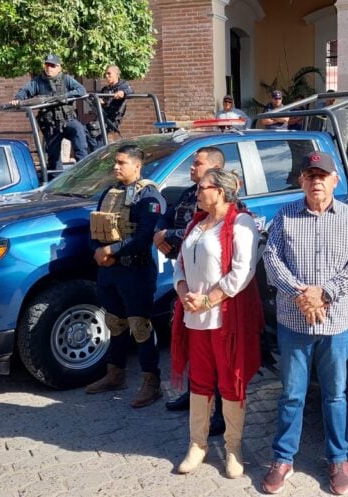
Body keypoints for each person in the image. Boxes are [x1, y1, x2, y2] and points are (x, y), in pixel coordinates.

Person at [261, 151, 348, 496]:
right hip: (294, 321)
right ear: (302, 181)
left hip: (336, 323)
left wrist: (324, 294)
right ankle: (283, 458)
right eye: (310, 175)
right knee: (292, 394)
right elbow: (271, 258)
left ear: (334, 180)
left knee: (335, 395)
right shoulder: (285, 216)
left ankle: (338, 459)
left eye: (322, 175)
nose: (316, 181)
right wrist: (300, 294)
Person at [171, 168, 262, 479]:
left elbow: (242, 272)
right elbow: (179, 265)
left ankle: (233, 447)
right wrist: (184, 292)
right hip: (194, 317)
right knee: (199, 380)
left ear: (220, 192)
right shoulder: (196, 223)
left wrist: (207, 300)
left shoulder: (241, 222)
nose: (197, 193)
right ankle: (197, 444)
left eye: (202, 187)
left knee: (229, 382)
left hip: (225, 319)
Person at [85, 145, 167, 408]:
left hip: (135, 271)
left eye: (121, 163)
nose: (116, 167)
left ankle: (152, 382)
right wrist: (99, 251)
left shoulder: (149, 196)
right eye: (115, 163)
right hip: (109, 270)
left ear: (137, 166)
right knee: (114, 323)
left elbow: (144, 237)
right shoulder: (110, 193)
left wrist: (113, 251)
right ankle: (115, 375)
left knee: (139, 326)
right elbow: (96, 227)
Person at [155, 146, 227, 435]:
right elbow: (169, 215)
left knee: (217, 351)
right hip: (186, 279)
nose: (191, 168)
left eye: (197, 163)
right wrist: (160, 232)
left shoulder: (219, 198)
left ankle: (221, 411)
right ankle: (196, 392)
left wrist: (169, 235)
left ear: (214, 168)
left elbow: (198, 229)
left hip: (212, 290)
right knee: (190, 343)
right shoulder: (190, 193)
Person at [12, 54, 90, 170]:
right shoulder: (38, 81)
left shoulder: (66, 79)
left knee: (78, 133)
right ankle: (56, 182)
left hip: (67, 121)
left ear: (59, 68)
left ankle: (84, 171)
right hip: (51, 126)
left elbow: (81, 90)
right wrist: (18, 98)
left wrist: (64, 96)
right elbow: (25, 91)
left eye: (52, 66)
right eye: (47, 65)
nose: (49, 68)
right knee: (54, 158)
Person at [89, 64, 135, 148]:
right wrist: (100, 101)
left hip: (112, 119)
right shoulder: (105, 89)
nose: (106, 76)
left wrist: (123, 93)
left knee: (97, 135)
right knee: (86, 130)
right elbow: (103, 101)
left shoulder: (122, 85)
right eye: (106, 74)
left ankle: (99, 156)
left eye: (109, 74)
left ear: (116, 74)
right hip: (103, 116)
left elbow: (131, 91)